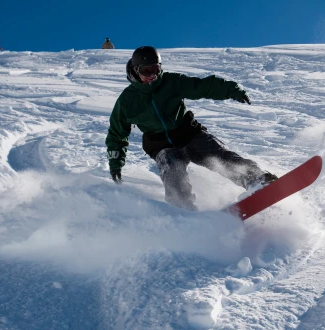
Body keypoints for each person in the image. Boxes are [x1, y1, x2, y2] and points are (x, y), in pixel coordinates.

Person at [106, 46, 277, 210]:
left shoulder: (171, 82)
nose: (152, 76)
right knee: (173, 175)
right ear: (136, 70)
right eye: (146, 71)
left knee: (219, 156)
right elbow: (116, 135)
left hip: (189, 133)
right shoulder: (126, 102)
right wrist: (115, 164)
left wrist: (231, 89)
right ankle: (183, 212)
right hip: (161, 146)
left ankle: (257, 180)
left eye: (156, 70)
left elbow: (202, 86)